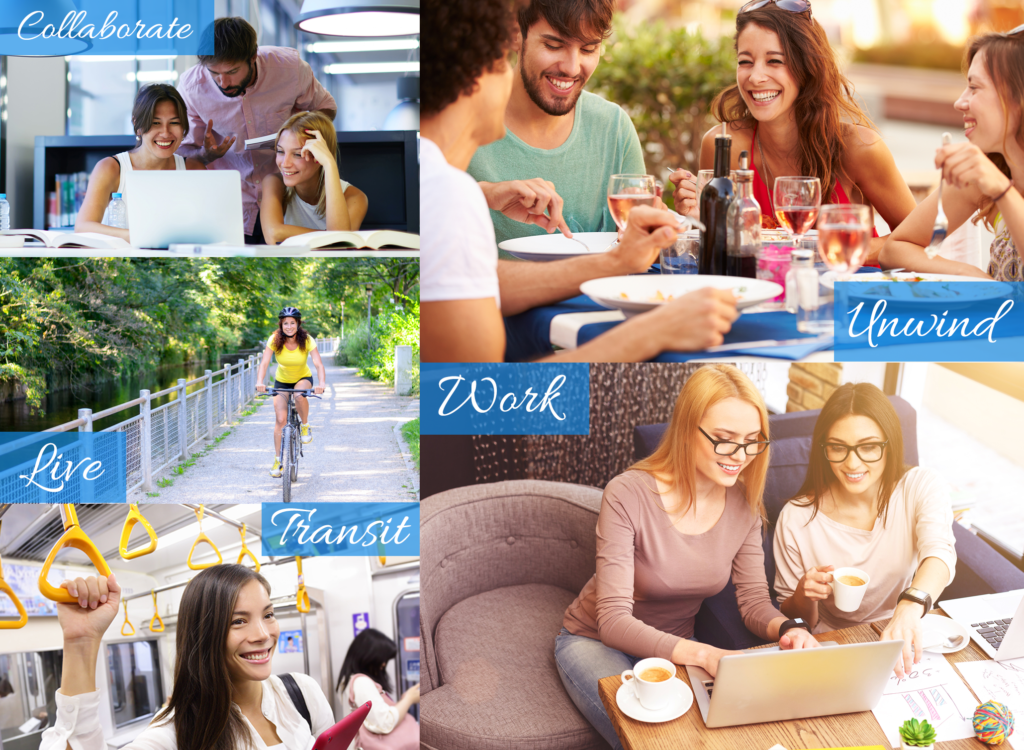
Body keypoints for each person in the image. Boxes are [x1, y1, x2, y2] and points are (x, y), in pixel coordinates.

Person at [421, 0, 739, 363]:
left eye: (588, 48)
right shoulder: (445, 192)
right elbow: (479, 398)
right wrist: (654, 331)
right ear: (473, 75)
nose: (572, 66)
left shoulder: (445, 187)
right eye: (501, 60)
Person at [555, 365, 819, 750]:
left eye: (751, 441)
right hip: (594, 641)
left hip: (677, 647)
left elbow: (753, 603)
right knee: (657, 742)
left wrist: (787, 628)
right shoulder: (627, 493)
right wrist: (704, 653)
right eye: (724, 439)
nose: (740, 456)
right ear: (687, 429)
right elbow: (611, 622)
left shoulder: (744, 505)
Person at [672, 0, 917, 265]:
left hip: (851, 297)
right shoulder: (724, 145)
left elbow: (918, 240)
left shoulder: (859, 148)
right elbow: (719, 256)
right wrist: (699, 222)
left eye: (774, 61)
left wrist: (823, 252)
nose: (756, 77)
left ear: (807, 67)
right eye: (745, 61)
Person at [466, 0, 697, 245]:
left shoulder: (614, 127)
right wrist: (483, 194)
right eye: (553, 45)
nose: (572, 68)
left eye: (588, 50)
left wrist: (652, 228)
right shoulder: (461, 118)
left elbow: (635, 244)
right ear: (515, 34)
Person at [39, 565, 336, 750]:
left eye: (268, 615)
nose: (263, 633)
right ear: (204, 634)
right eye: (238, 621)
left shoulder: (302, 692)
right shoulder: (179, 730)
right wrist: (82, 642)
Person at [773, 383, 957, 679]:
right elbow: (793, 620)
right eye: (838, 447)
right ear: (824, 449)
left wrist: (909, 608)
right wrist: (803, 596)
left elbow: (940, 554)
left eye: (869, 447)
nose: (852, 463)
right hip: (831, 646)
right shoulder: (796, 518)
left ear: (890, 443)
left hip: (899, 632)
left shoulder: (920, 486)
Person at [177, 17, 337, 244]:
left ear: (253, 57)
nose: (223, 82)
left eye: (232, 71)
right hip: (230, 206)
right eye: (214, 73)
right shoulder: (191, 87)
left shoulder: (289, 68)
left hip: (290, 199)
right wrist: (205, 155)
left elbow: (326, 109)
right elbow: (181, 152)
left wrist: (297, 136)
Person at [880, 28, 1023, 279]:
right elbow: (895, 250)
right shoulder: (988, 172)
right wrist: (970, 273)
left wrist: (1002, 190)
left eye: (974, 88)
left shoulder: (994, 179)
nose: (959, 102)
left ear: (1018, 98)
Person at [75, 84, 206, 242]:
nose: (165, 133)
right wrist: (137, 236)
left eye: (174, 123)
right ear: (138, 126)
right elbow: (83, 227)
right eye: (156, 123)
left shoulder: (194, 170)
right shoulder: (110, 168)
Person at [260, 111, 369, 245]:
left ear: (320, 155)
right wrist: (329, 236)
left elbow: (339, 244)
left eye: (298, 154)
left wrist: (329, 164)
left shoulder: (355, 198)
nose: (284, 163)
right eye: (281, 151)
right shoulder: (274, 182)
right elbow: (273, 234)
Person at [256, 307, 327, 478]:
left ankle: (304, 425)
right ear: (281, 325)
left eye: (292, 323)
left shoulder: (307, 340)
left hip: (302, 378)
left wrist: (321, 383)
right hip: (282, 381)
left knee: (298, 394)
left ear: (298, 324)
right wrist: (260, 382)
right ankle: (278, 460)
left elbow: (318, 363)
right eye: (285, 323)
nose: (289, 327)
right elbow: (265, 363)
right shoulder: (274, 339)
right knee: (280, 420)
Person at [336, 629, 419, 750]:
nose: (384, 664)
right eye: (382, 659)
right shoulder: (361, 683)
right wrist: (408, 699)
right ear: (369, 656)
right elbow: (385, 722)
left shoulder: (346, 681)